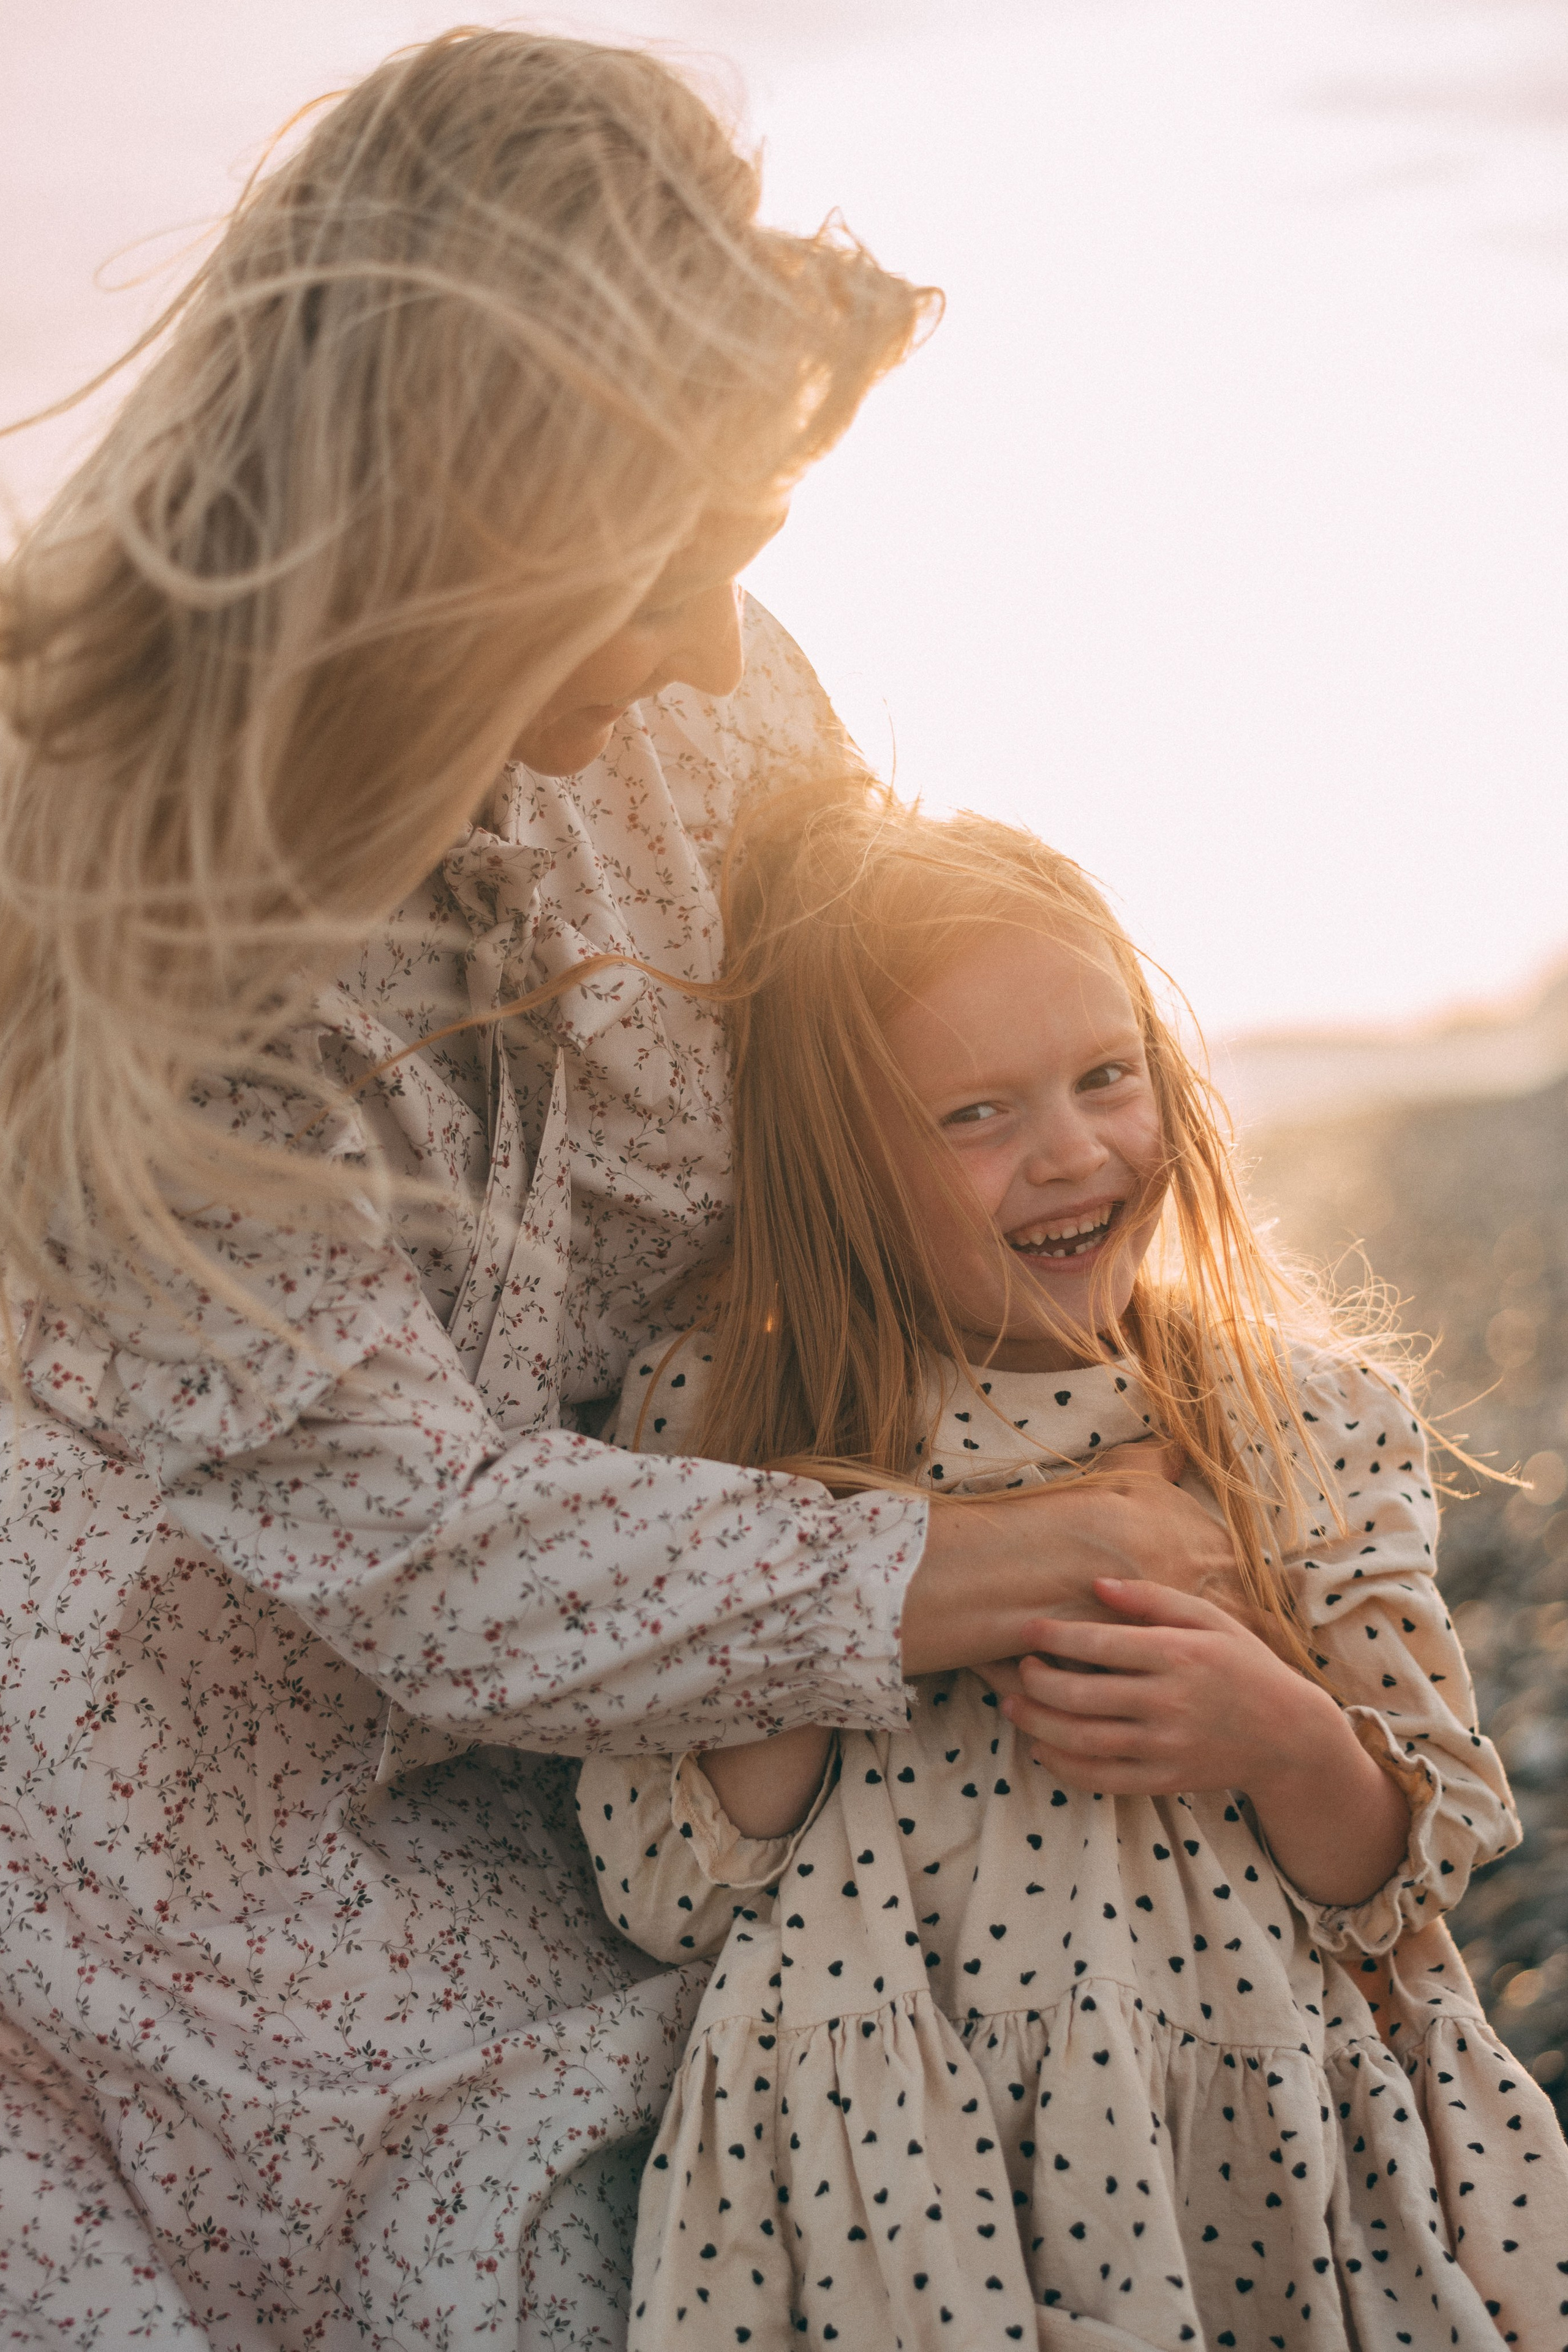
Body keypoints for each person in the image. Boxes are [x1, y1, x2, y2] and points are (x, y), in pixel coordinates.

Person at [0, 32, 1243, 2351]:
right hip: (153, 1875)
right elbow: (425, 1550)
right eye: (647, 572)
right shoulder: (108, 917)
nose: (708, 645)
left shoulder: (734, 700)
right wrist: (1036, 1557)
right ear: (429, 537)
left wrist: (1156, 1410)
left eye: (745, 552)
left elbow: (894, 1112)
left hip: (644, 1781)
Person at [580, 781, 1568, 2351]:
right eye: (972, 1113)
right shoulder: (733, 1419)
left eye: (1106, 1076)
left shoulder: (1294, 1418)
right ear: (836, 1155)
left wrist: (1278, 1733)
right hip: (887, 2175)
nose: (1068, 1152)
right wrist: (864, 1601)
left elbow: (1418, 1857)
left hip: (1238, 2118)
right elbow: (663, 1884)